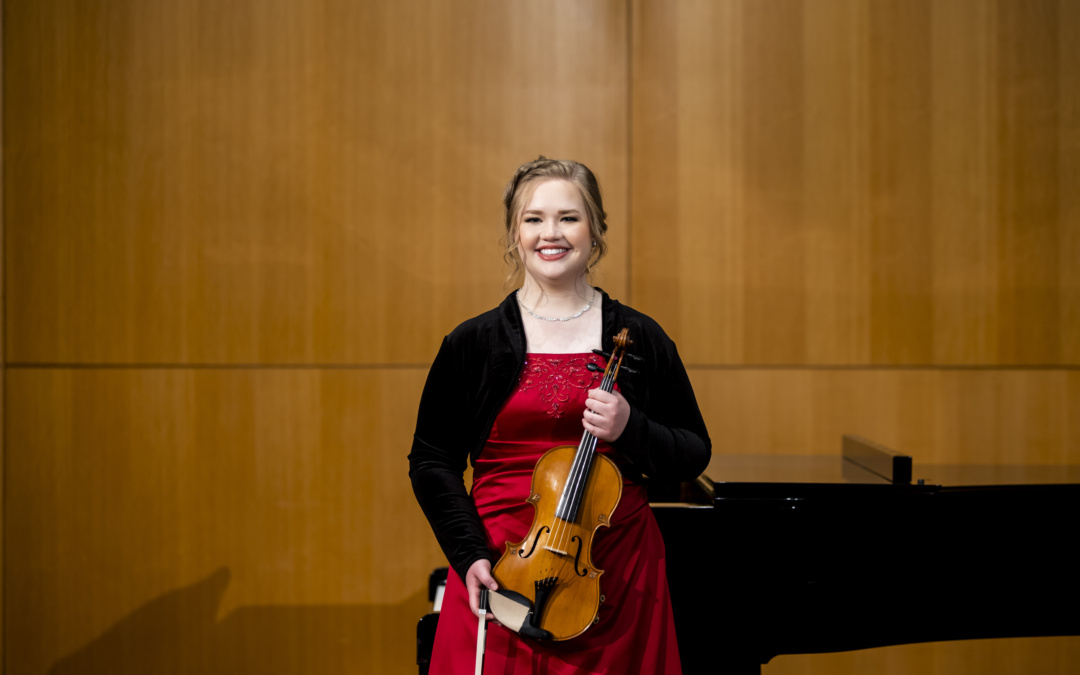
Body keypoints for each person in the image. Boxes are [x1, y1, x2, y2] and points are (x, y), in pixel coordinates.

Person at [409, 157, 711, 674]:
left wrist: (629, 428)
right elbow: (432, 460)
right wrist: (468, 555)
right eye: (534, 219)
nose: (551, 233)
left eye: (569, 218)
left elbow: (692, 452)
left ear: (595, 231)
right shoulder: (472, 343)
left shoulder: (639, 337)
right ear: (514, 233)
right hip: (500, 569)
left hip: (616, 570)